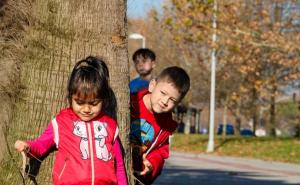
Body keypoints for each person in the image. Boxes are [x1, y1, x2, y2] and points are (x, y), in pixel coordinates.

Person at [14, 56, 128, 185]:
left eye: (94, 103)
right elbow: (41, 145)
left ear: (103, 100)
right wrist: (28, 147)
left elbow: (119, 165)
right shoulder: (61, 122)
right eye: (79, 102)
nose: (86, 109)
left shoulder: (110, 126)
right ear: (70, 97)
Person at [130, 66, 190, 184]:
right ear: (152, 85)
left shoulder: (166, 125)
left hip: (135, 177)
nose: (165, 101)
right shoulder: (131, 103)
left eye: (172, 100)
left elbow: (161, 152)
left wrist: (151, 164)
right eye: (163, 93)